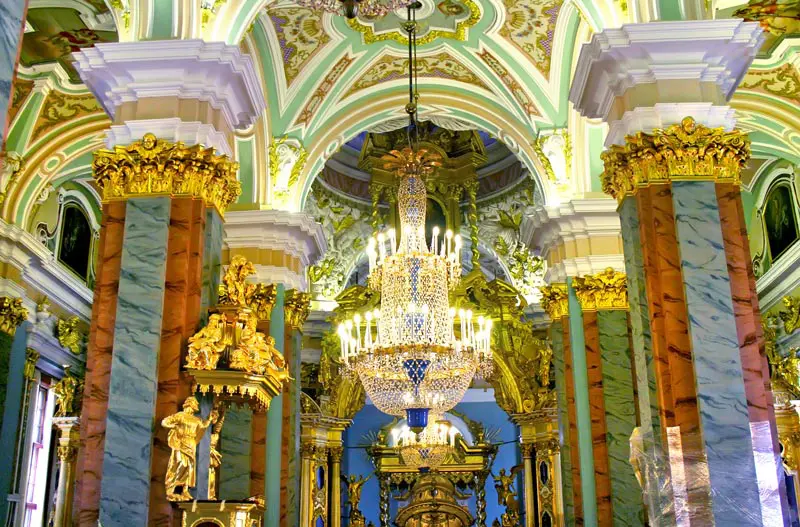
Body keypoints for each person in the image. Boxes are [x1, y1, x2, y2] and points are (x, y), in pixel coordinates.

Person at [162, 396, 218, 501]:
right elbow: (165, 422)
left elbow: (202, 427)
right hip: (181, 442)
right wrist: (174, 427)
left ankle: (185, 489)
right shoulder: (180, 416)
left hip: (191, 443)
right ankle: (170, 488)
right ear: (189, 404)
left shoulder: (196, 420)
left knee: (190, 466)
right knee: (179, 463)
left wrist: (210, 419)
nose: (195, 406)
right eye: (194, 404)